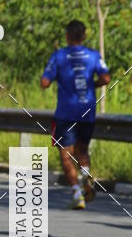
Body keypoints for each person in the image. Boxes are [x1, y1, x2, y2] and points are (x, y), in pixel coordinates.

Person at [41, 20, 110, 210]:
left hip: (66, 112)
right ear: (84, 36)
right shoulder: (94, 55)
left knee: (65, 155)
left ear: (67, 36)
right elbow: (106, 78)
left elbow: (45, 82)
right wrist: (91, 85)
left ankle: (77, 194)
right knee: (82, 150)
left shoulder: (59, 56)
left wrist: (56, 80)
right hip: (87, 112)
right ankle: (86, 175)